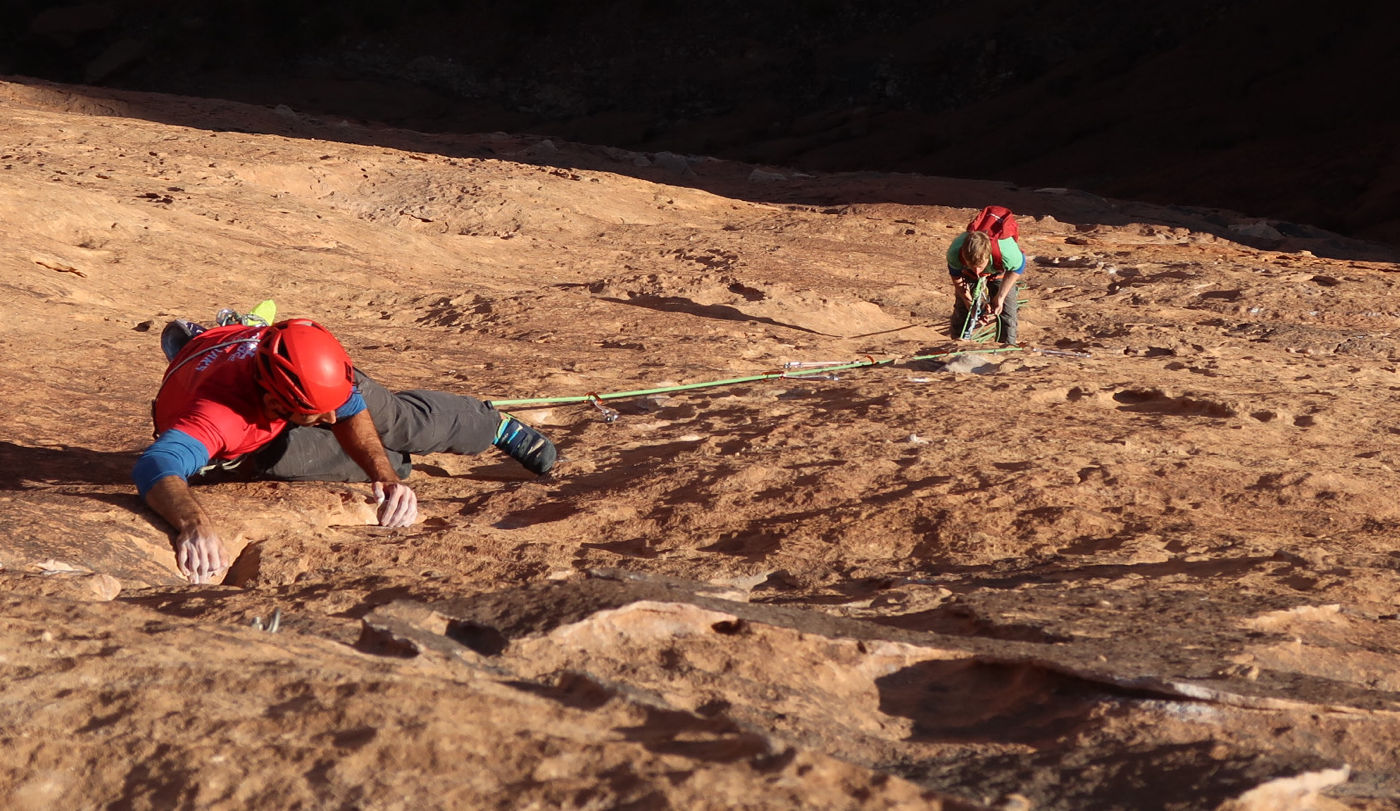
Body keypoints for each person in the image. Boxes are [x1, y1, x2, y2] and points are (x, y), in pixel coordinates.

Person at [132, 317, 557, 584]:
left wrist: (384, 481)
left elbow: (346, 409)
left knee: (400, 423)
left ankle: (490, 424)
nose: (333, 420)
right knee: (344, 462)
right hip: (244, 424)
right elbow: (157, 463)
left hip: (280, 360)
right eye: (319, 415)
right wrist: (194, 524)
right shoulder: (219, 417)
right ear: (274, 402)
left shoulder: (304, 363)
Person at [946, 229, 1026, 344]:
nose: (978, 271)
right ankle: (958, 342)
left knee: (1007, 311)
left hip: (998, 269)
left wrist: (1000, 297)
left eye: (980, 266)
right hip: (967, 272)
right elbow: (956, 276)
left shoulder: (1007, 254)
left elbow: (1018, 268)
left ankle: (1006, 345)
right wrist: (969, 303)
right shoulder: (954, 253)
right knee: (963, 308)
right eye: (973, 266)